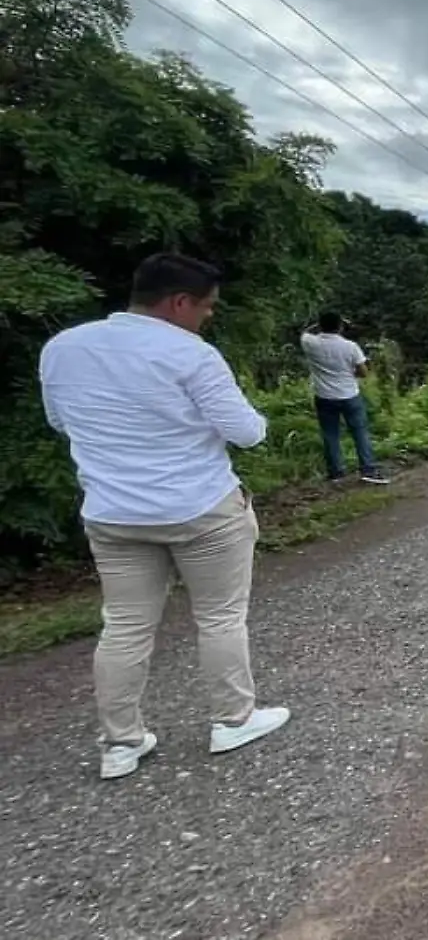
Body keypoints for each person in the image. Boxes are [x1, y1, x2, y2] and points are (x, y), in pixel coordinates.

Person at [38, 253, 292, 780]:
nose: (209, 316)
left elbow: (62, 422)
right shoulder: (190, 353)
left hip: (114, 514)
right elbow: (245, 431)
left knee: (125, 626)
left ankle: (120, 745)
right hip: (201, 508)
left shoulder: (62, 348)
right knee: (220, 616)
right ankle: (232, 720)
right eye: (206, 306)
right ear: (179, 302)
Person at [299, 312, 388, 484]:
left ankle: (336, 473)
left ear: (320, 325)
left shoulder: (310, 343)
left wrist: (316, 325)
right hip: (349, 395)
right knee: (360, 432)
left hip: (324, 396)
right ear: (340, 327)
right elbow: (363, 372)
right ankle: (368, 469)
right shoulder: (350, 346)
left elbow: (305, 331)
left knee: (330, 434)